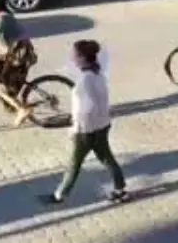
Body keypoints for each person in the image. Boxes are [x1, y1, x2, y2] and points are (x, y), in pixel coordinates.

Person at [38, 40, 128, 205]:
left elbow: (84, 110)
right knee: (107, 158)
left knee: (75, 162)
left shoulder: (84, 81)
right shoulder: (98, 74)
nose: (72, 57)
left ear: (82, 57)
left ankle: (59, 195)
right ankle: (120, 189)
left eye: (74, 54)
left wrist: (75, 129)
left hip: (87, 130)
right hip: (103, 124)